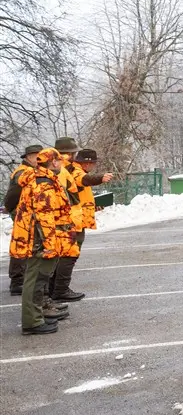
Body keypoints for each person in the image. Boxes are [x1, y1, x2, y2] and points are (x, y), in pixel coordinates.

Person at [9, 148, 74, 335]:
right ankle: (32, 322)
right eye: (59, 161)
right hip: (41, 240)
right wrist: (49, 244)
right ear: (53, 162)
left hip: (40, 238)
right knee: (36, 279)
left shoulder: (42, 179)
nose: (61, 164)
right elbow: (43, 216)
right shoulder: (43, 183)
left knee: (38, 278)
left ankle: (36, 316)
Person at [52, 137, 111, 302]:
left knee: (64, 255)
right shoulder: (71, 169)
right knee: (69, 255)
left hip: (71, 217)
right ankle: (60, 290)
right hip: (72, 220)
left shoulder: (63, 168)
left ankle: (55, 288)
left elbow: (78, 193)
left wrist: (93, 206)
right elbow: (83, 180)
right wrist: (100, 178)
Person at [5, 144, 42, 295]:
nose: (39, 160)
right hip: (22, 213)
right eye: (36, 157)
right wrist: (13, 210)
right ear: (29, 157)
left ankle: (20, 280)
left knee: (25, 244)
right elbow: (13, 195)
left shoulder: (29, 170)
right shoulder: (24, 172)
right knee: (21, 245)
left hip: (24, 212)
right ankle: (17, 281)